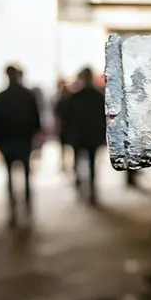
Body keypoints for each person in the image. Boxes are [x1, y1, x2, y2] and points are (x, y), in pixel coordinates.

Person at [0, 65, 42, 226]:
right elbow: (35, 120)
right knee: (25, 174)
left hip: (6, 141)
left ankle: (13, 209)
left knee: (9, 175)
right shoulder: (27, 96)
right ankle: (27, 206)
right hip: (23, 140)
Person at [61, 68, 107, 205]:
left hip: (79, 136)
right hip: (91, 136)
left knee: (78, 162)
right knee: (91, 164)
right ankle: (91, 190)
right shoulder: (98, 96)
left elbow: (67, 118)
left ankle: (80, 184)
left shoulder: (75, 96)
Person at [52, 78, 74, 176]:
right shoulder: (71, 99)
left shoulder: (60, 99)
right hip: (69, 127)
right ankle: (68, 165)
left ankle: (65, 164)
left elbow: (57, 115)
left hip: (64, 127)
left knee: (63, 147)